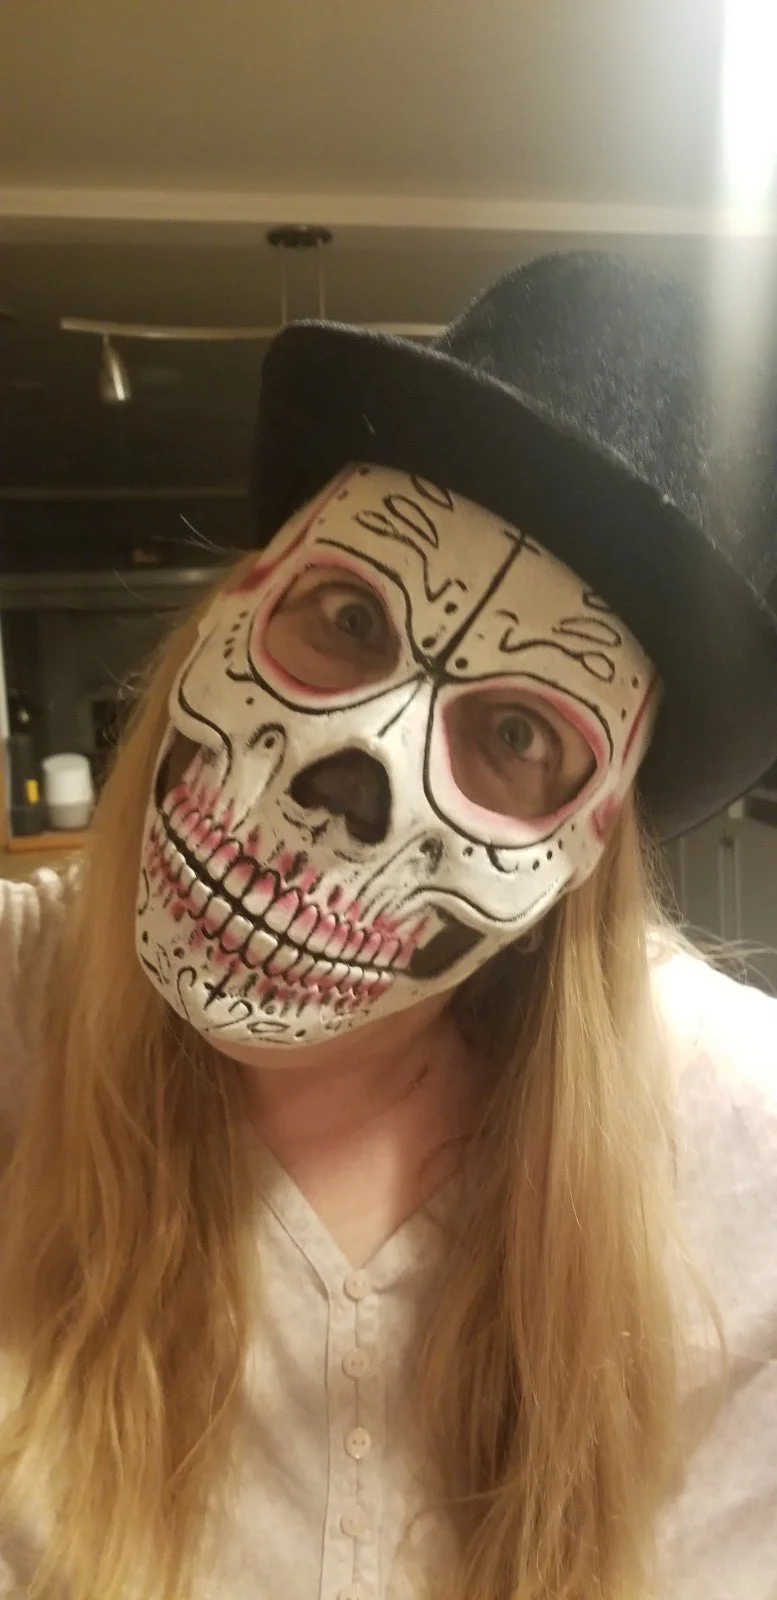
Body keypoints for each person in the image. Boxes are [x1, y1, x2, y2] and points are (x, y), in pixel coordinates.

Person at [0, 252, 775, 1600]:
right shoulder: (23, 1003)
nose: (346, 778)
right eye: (351, 615)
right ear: (232, 609)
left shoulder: (744, 1159)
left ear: (586, 852)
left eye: (519, 734)